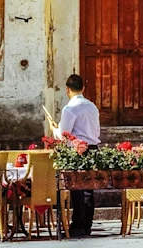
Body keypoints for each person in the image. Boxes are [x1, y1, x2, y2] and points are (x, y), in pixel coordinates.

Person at [49, 74, 101, 238]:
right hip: (93, 148)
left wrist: (53, 129)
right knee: (89, 188)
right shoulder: (92, 106)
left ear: (67, 90)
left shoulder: (70, 109)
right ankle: (87, 224)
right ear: (83, 88)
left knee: (77, 189)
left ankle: (78, 224)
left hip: (78, 150)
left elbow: (64, 135)